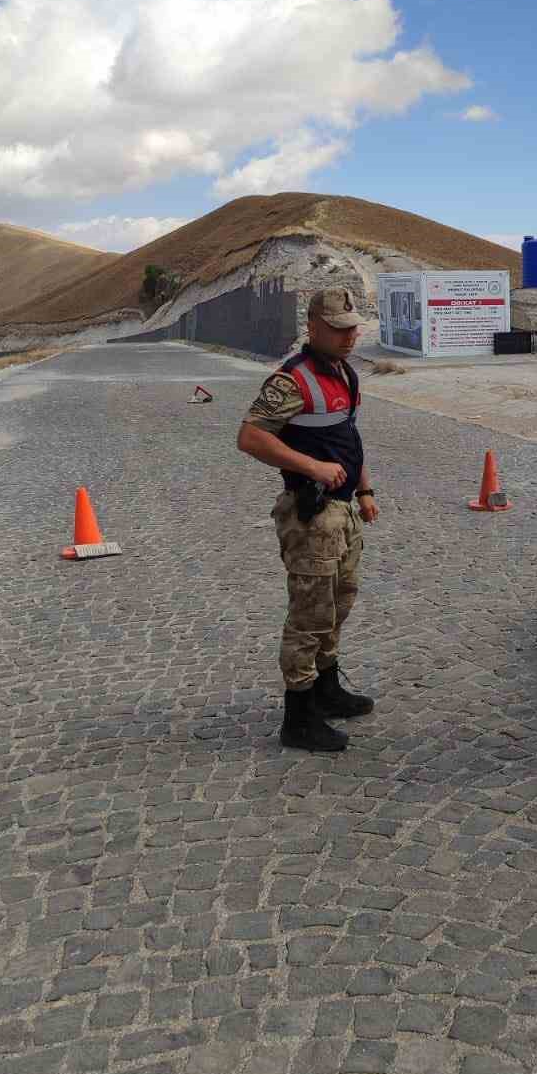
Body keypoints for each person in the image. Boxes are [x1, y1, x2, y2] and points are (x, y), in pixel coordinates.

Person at [237, 289, 379, 754]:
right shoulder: (291, 381)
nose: (349, 336)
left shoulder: (346, 375)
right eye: (338, 328)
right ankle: (298, 717)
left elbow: (347, 438)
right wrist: (310, 466)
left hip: (345, 510)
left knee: (339, 601)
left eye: (353, 327)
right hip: (311, 513)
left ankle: (326, 689)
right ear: (313, 326)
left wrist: (365, 489)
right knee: (309, 613)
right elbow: (251, 437)